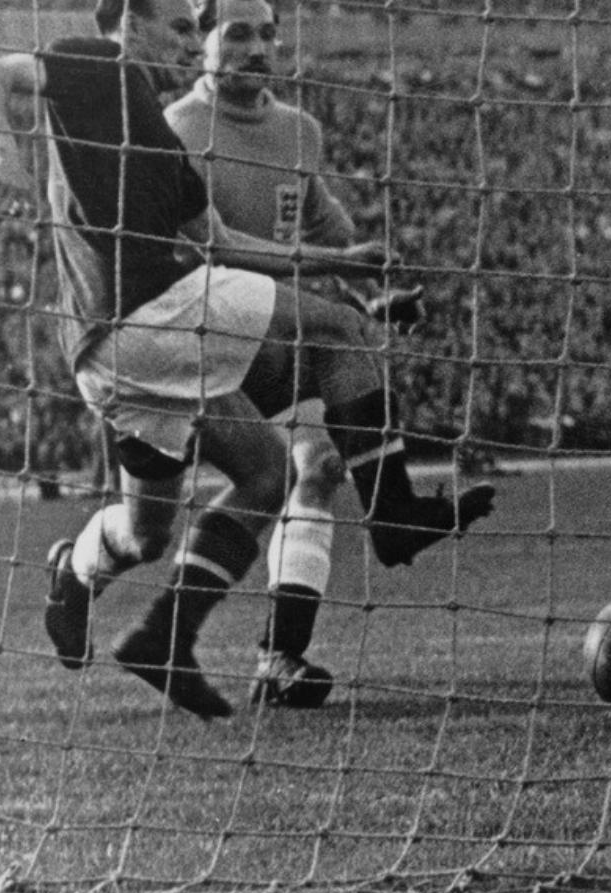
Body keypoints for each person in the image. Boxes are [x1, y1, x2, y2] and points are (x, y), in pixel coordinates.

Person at [0, 0, 494, 718]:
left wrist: (344, 261)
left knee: (200, 507)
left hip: (126, 355)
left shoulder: (164, 138)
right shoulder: (101, 66)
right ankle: (393, 515)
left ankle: (135, 617)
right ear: (128, 22)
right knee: (337, 333)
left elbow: (223, 243)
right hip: (146, 315)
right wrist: (1, 152)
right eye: (181, 29)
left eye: (193, 31)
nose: (188, 44)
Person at [164, 0, 444, 709]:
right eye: (238, 34)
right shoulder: (176, 131)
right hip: (202, 349)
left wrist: (372, 298)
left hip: (286, 344)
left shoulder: (299, 133)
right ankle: (76, 571)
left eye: (266, 34)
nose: (258, 48)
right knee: (138, 528)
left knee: (316, 468)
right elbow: (207, 246)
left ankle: (279, 659)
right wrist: (337, 268)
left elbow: (329, 239)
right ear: (202, 42)